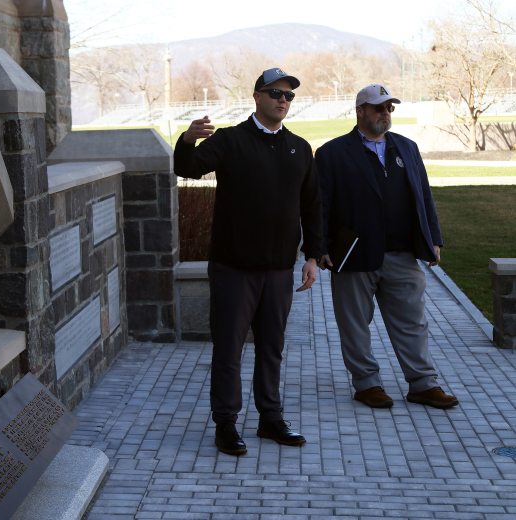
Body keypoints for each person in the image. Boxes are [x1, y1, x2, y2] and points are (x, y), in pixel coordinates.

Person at [174, 68, 323, 455]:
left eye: (289, 95)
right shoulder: (230, 141)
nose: (283, 100)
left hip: (278, 270)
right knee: (229, 349)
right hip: (233, 268)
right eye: (275, 93)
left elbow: (311, 206)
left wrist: (311, 256)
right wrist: (187, 140)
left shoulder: (300, 148)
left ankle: (270, 419)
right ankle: (226, 423)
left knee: (272, 346)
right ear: (257, 96)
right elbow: (187, 168)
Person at [315, 84, 458, 410]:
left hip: (402, 254)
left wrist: (433, 237)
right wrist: (319, 246)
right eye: (378, 107)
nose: (385, 113)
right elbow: (318, 205)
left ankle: (423, 384)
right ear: (360, 110)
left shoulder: (407, 148)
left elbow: (423, 196)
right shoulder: (332, 153)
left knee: (413, 323)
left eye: (389, 108)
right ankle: (367, 385)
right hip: (354, 255)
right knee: (354, 324)